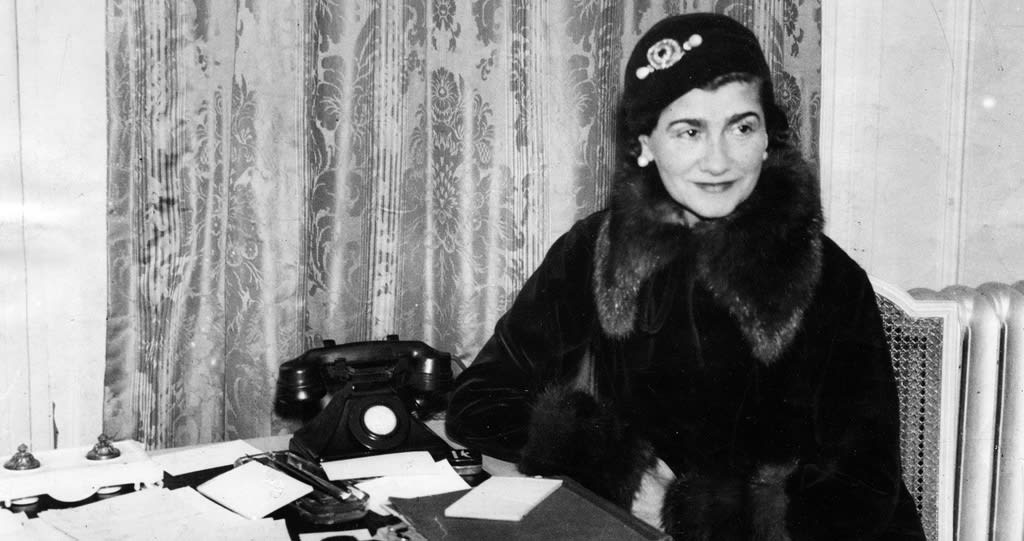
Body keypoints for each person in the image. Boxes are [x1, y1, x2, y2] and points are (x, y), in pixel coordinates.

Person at [445, 12, 925, 540]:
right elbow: (478, 401)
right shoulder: (595, 249)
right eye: (689, 131)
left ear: (768, 137)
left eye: (742, 127)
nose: (718, 161)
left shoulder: (832, 278)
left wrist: (698, 513)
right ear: (645, 144)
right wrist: (614, 465)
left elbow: (863, 489)